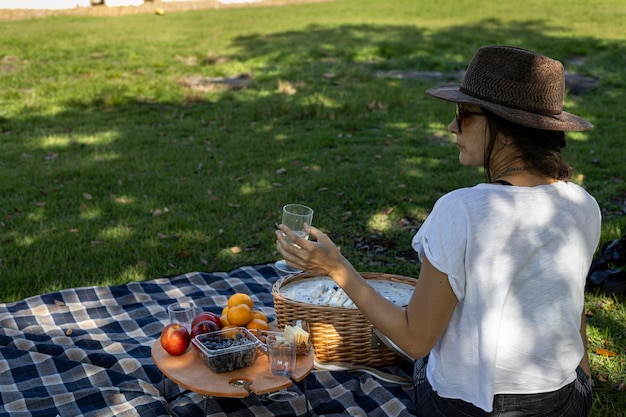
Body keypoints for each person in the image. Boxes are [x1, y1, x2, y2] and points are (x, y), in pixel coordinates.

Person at [275, 45, 600, 416]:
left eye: (463, 114)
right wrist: (581, 387)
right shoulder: (582, 204)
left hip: (474, 407)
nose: (452, 126)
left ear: (505, 130)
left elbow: (416, 340)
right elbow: (570, 309)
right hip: (564, 400)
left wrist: (336, 269)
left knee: (415, 356)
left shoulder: (462, 210)